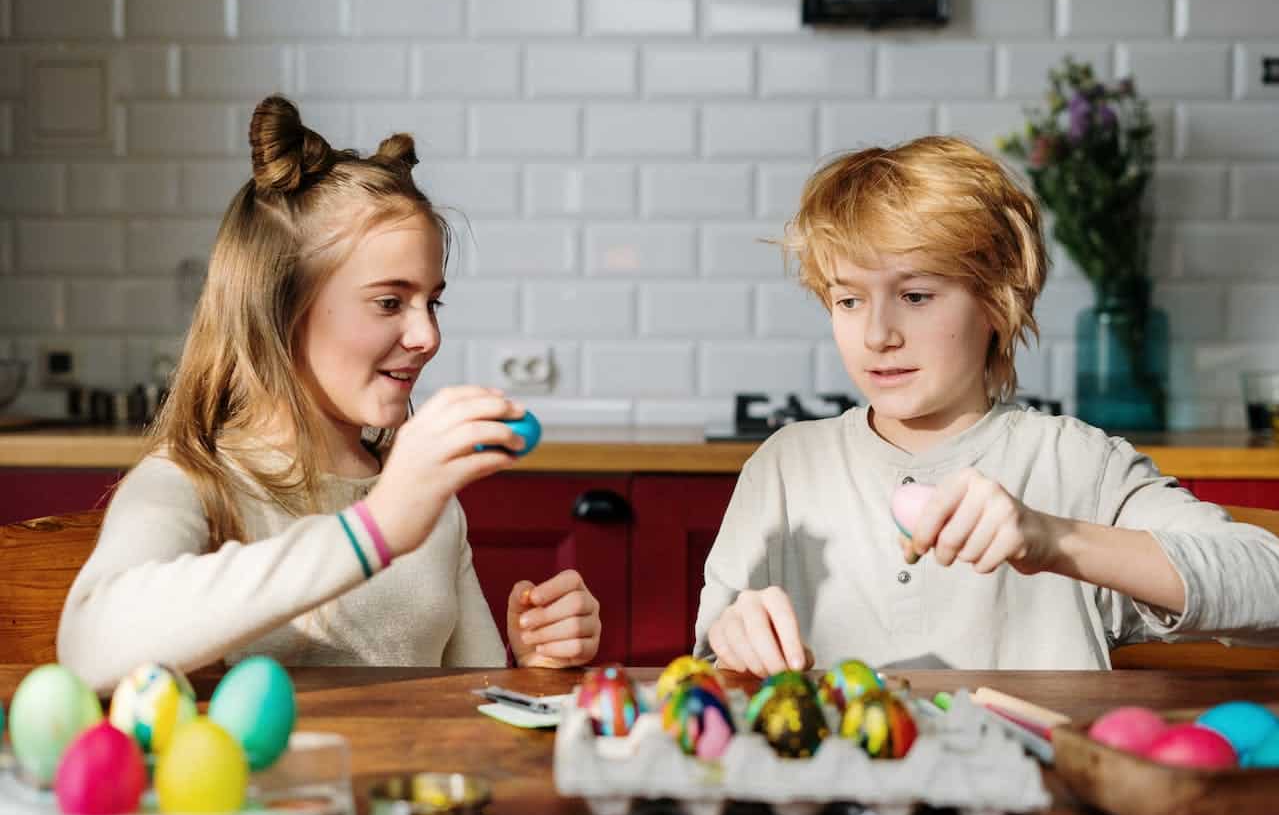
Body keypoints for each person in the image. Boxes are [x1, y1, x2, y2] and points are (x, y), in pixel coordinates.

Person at [58, 95, 601, 692]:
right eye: (389, 302)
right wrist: (376, 529)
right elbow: (90, 645)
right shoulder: (194, 481)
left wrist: (530, 668)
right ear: (283, 310)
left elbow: (469, 710)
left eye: (432, 302)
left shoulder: (422, 497)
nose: (428, 336)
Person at [694, 135, 1279, 674]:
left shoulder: (1076, 465)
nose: (877, 335)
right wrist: (732, 640)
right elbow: (707, 671)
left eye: (916, 295)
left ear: (997, 302)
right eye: (848, 301)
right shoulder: (784, 469)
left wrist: (1053, 539)